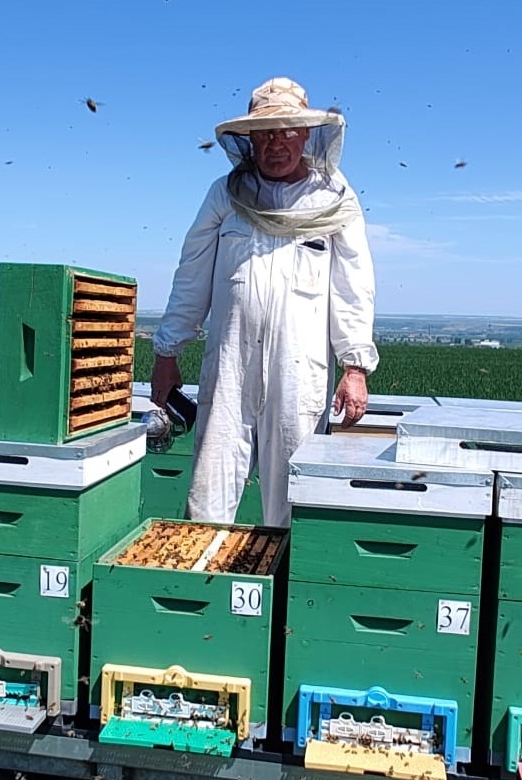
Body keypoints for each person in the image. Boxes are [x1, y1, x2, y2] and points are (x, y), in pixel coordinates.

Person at [150, 76, 378, 528]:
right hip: (230, 367)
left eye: (287, 130)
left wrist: (355, 367)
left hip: (300, 373)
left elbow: (354, 284)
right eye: (265, 133)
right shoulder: (224, 194)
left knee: (294, 498)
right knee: (208, 497)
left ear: (306, 134)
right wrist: (166, 352)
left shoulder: (335, 197)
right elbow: (192, 273)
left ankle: (284, 595)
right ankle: (206, 594)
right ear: (249, 139)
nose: (277, 143)